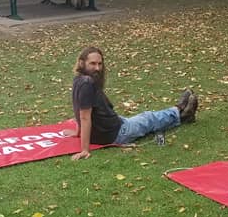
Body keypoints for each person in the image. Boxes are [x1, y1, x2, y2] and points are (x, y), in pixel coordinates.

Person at [64, 46, 198, 160]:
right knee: (149, 118)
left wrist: (78, 132)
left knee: (145, 118)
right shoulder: (87, 83)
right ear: (82, 63)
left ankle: (182, 113)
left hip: (112, 125)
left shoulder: (79, 79)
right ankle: (179, 111)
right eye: (92, 64)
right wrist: (85, 150)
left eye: (100, 64)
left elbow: (80, 107)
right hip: (116, 133)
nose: (97, 68)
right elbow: (84, 116)